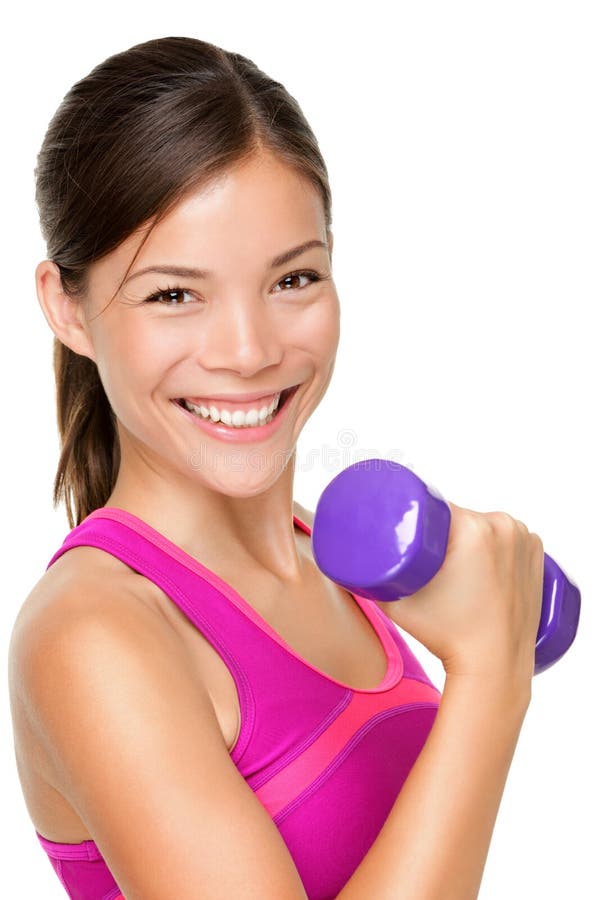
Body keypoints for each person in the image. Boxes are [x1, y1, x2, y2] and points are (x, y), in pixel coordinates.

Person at [8, 35, 544, 900]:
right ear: (66, 308)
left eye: (293, 279)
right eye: (174, 294)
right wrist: (489, 679)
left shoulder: (329, 558)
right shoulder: (95, 635)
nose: (250, 351)